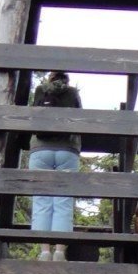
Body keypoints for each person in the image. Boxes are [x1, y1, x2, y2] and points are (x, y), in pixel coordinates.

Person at [28, 69, 81, 260]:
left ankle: (44, 252)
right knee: (63, 201)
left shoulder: (40, 91)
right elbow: (81, 120)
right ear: (66, 79)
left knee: (41, 199)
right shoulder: (73, 93)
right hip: (67, 149)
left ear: (50, 77)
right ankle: (59, 251)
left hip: (40, 149)